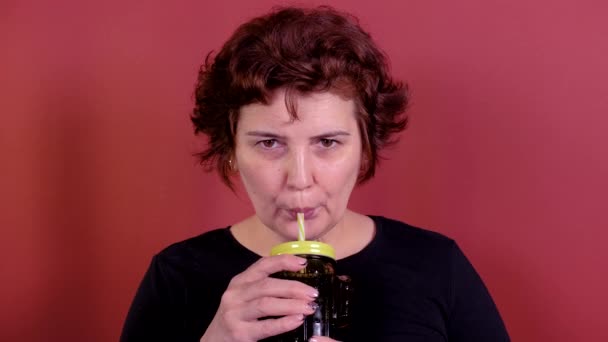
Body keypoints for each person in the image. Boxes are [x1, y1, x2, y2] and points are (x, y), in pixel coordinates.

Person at [120, 6, 510, 342]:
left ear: (364, 150)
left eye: (327, 142)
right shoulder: (177, 276)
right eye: (269, 143)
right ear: (231, 152)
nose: (300, 178)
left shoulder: (436, 266)